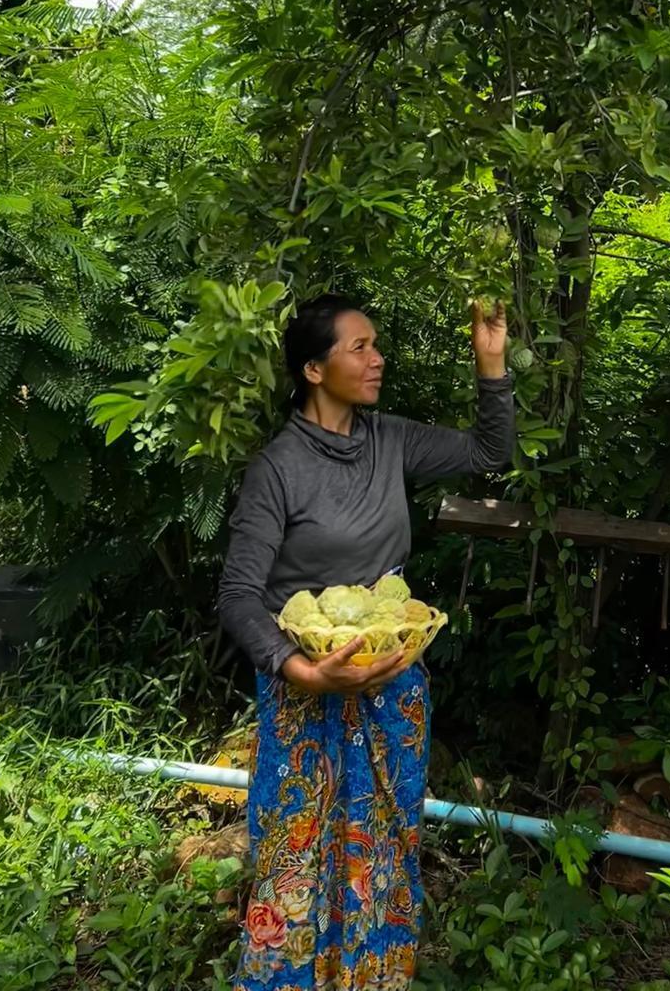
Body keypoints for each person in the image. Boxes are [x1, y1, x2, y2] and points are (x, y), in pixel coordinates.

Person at [218, 292, 514, 991]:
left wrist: (492, 361)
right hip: (303, 697)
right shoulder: (279, 470)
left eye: (375, 344)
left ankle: (371, 978)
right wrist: (302, 671)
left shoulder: (392, 441)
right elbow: (238, 594)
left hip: (391, 691)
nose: (377, 358)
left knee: (383, 846)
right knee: (298, 854)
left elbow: (489, 450)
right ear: (315, 370)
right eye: (359, 347)